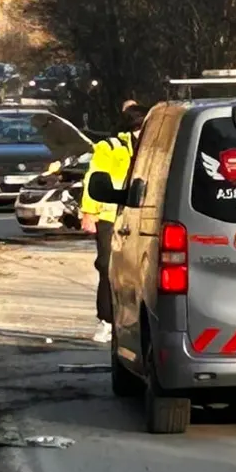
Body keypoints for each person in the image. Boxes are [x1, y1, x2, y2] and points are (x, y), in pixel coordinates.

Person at [81, 103, 148, 343]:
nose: (141, 133)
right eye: (138, 128)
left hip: (141, 217)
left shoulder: (154, 149)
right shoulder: (110, 147)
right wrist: (89, 212)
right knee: (107, 267)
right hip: (111, 217)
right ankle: (106, 321)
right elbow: (94, 177)